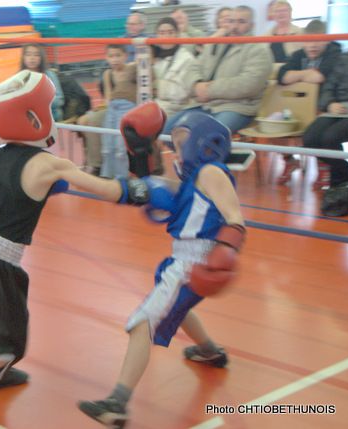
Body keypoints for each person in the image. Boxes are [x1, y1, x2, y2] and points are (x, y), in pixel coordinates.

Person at [0, 71, 163, 425]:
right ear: (33, 116)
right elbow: (106, 190)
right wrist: (144, 184)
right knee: (9, 345)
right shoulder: (49, 164)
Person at [78, 110, 246, 429]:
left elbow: (236, 217)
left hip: (194, 260)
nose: (176, 151)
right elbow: (159, 189)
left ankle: (117, 403)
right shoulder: (193, 179)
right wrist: (140, 158)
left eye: (182, 144)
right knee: (176, 307)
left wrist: (225, 252)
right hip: (180, 260)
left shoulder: (212, 172)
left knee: (144, 322)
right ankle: (210, 351)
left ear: (202, 143)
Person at [163, 5, 273, 135]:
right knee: (168, 131)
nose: (234, 26)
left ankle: (212, 154)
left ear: (252, 25)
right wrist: (196, 85)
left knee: (208, 135)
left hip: (236, 107)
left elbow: (249, 84)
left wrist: (209, 90)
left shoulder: (259, 50)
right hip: (204, 105)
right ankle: (189, 154)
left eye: (241, 22)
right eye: (231, 21)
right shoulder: (216, 42)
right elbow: (193, 67)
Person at [276, 19, 342, 188]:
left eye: (317, 41)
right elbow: (283, 76)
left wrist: (298, 76)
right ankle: (289, 160)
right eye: (308, 41)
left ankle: (324, 165)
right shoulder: (298, 55)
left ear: (326, 40)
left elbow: (319, 77)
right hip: (297, 107)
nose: (312, 45)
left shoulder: (335, 53)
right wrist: (307, 74)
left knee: (318, 134)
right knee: (275, 123)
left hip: (325, 107)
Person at [302, 52, 348, 192]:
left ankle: (340, 181)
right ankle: (346, 173)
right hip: (336, 108)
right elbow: (329, 86)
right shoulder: (343, 58)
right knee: (310, 138)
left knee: (330, 138)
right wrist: (329, 104)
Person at [100, 44, 136, 179]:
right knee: (107, 144)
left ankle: (121, 178)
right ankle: (107, 175)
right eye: (111, 56)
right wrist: (108, 110)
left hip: (128, 107)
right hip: (112, 108)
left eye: (118, 55)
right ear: (106, 58)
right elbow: (108, 96)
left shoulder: (132, 69)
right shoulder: (108, 74)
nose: (115, 59)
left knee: (120, 146)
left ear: (125, 56)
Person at [20, 43, 64, 121]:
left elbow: (59, 100)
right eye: (28, 54)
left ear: (41, 58)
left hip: (49, 115)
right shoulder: (19, 77)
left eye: (36, 55)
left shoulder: (49, 75)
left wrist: (41, 102)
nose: (32, 58)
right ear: (23, 57)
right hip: (26, 116)